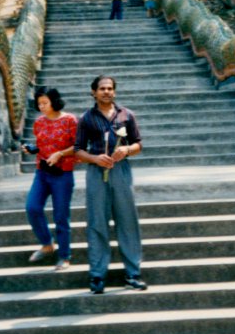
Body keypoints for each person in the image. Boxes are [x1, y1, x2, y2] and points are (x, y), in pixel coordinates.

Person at [75, 75, 146, 294]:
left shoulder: (126, 115)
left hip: (121, 170)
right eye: (102, 88)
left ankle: (133, 273)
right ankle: (97, 275)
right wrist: (95, 158)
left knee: (127, 220)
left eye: (110, 88)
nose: (106, 92)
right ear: (94, 92)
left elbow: (138, 144)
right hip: (97, 172)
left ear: (114, 91)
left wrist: (126, 150)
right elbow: (77, 150)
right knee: (97, 222)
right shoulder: (86, 118)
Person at [22, 87, 77, 271]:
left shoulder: (69, 120)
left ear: (54, 101)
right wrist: (32, 149)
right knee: (32, 207)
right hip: (42, 172)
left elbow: (78, 146)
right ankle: (47, 243)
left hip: (63, 173)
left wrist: (60, 154)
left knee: (61, 215)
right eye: (39, 104)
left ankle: (64, 256)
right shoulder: (38, 122)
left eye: (45, 103)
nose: (42, 107)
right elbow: (42, 146)